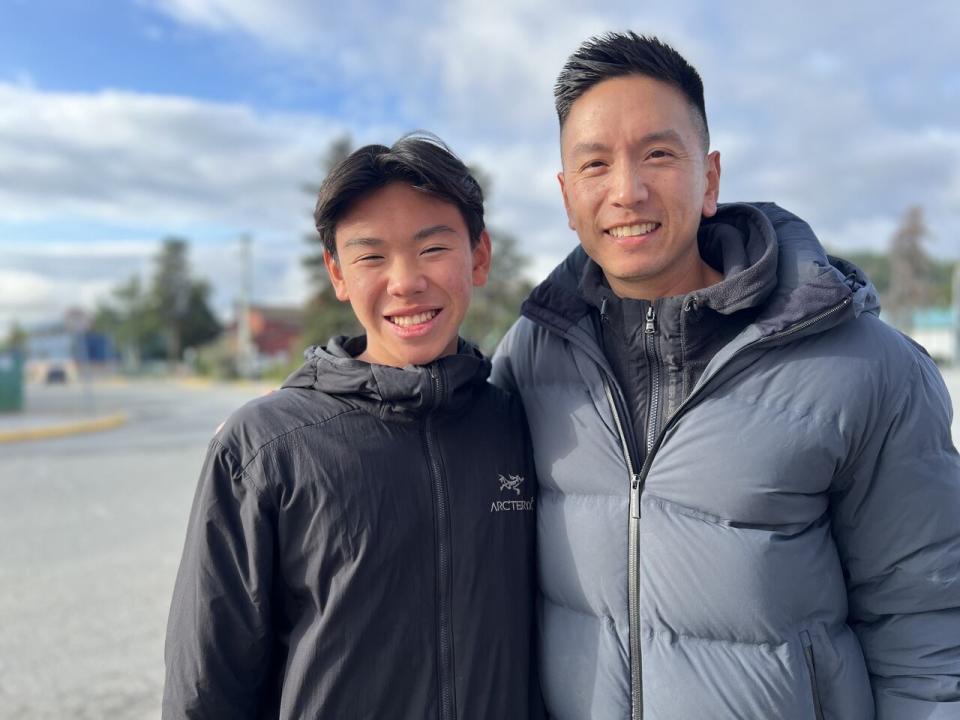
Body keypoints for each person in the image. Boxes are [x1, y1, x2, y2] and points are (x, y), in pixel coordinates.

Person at [492, 32, 960, 719]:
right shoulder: (531, 355)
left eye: (657, 154)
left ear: (709, 178)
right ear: (567, 197)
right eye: (595, 164)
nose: (627, 190)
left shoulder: (865, 367)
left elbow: (928, 624)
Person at [163, 134, 539, 719]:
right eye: (371, 256)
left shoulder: (518, 426)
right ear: (337, 274)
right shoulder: (264, 448)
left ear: (479, 255)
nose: (406, 281)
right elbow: (207, 687)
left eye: (433, 247)